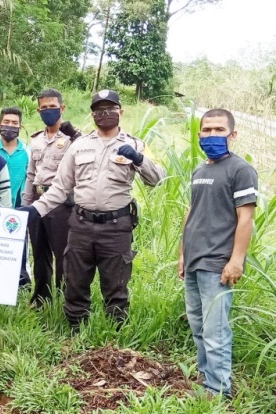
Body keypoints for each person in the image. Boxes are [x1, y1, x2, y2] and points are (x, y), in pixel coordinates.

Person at [19, 90, 165, 330]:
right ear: (93, 114)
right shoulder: (79, 146)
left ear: (121, 112)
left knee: (115, 285)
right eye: (99, 110)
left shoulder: (136, 144)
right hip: (81, 225)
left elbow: (158, 179)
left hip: (116, 228)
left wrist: (139, 159)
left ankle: (115, 333)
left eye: (110, 109)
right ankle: (76, 330)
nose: (104, 114)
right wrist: (35, 209)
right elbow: (60, 187)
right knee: (75, 281)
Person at [179, 109, 256, 397]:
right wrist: (183, 254)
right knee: (198, 326)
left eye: (219, 130)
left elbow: (245, 218)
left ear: (232, 135)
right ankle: (205, 377)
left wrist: (236, 260)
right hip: (194, 259)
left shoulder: (240, 170)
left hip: (217, 264)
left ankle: (218, 389)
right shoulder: (200, 170)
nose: (212, 135)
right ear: (199, 134)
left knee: (216, 331)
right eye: (207, 130)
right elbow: (192, 212)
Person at [23, 89, 82, 307]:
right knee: (39, 253)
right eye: (44, 108)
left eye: (52, 107)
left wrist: (75, 135)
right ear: (38, 110)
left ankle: (66, 300)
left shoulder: (73, 138)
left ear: (62, 108)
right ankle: (40, 299)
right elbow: (31, 174)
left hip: (61, 203)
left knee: (63, 254)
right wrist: (27, 203)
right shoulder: (37, 139)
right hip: (38, 201)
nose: (48, 111)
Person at [0, 107, 32, 285]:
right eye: (6, 122)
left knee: (20, 246)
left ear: (20, 127)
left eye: (14, 123)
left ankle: (21, 281)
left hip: (19, 207)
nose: (10, 126)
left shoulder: (28, 152)